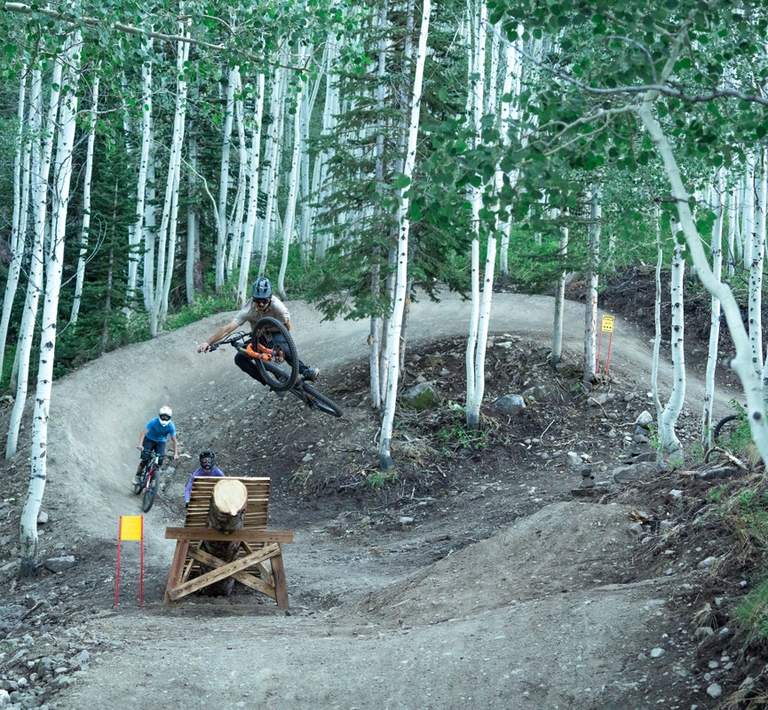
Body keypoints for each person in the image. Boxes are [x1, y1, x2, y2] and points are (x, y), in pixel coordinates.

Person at [197, 277, 319, 388]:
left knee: (285, 350)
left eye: (264, 300)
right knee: (240, 359)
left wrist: (266, 329)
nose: (260, 304)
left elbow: (288, 327)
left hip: (277, 332)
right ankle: (270, 383)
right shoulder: (248, 309)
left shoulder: (278, 307)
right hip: (259, 337)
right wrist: (207, 342)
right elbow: (228, 328)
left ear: (270, 298)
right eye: (257, 300)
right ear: (253, 298)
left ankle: (306, 371)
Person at [134, 405, 179, 484]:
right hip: (149, 439)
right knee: (145, 458)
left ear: (170, 417)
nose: (164, 419)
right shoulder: (153, 422)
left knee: (159, 461)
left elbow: (174, 440)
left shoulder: (171, 426)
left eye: (166, 417)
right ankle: (137, 476)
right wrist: (140, 444)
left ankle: (152, 479)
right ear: (159, 416)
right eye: (163, 416)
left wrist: (176, 454)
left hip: (161, 442)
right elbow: (143, 433)